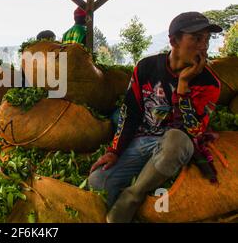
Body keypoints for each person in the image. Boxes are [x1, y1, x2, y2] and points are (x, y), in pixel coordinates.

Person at [88, 12, 223, 223]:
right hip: (143, 140)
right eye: (196, 38)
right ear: (173, 41)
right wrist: (114, 151)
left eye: (206, 39)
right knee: (98, 181)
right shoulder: (146, 68)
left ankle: (133, 195)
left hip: (177, 145)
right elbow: (130, 111)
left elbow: (194, 130)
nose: (203, 46)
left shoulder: (209, 83)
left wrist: (183, 87)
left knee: (175, 140)